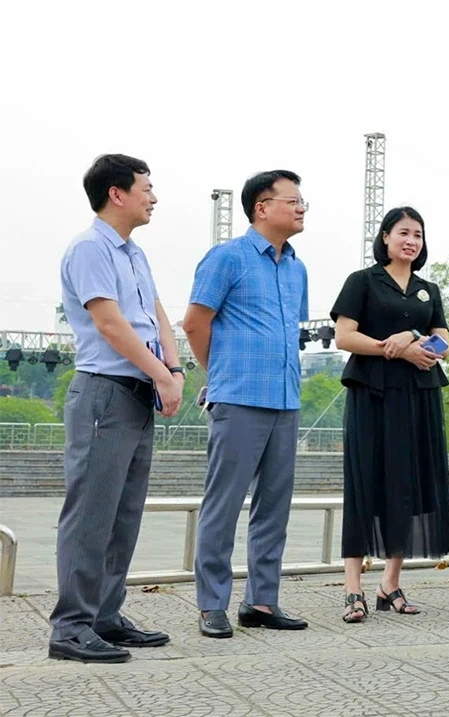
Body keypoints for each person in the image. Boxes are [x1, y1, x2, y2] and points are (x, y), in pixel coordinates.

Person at [48, 154, 185, 663]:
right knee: (90, 515)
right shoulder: (89, 248)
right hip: (105, 391)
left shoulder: (133, 253)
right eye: (146, 188)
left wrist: (172, 370)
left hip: (138, 393)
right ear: (117, 193)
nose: (153, 197)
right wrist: (159, 373)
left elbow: (156, 313)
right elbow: (109, 323)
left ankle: (104, 615)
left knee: (122, 516)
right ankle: (70, 627)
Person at [182, 170, 310, 639]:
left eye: (303, 203)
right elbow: (195, 322)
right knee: (224, 504)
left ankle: (261, 600)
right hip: (238, 398)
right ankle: (211, 603)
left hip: (285, 400)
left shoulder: (297, 268)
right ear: (261, 207)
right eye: (293, 201)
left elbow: (290, 332)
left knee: (274, 507)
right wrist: (218, 375)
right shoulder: (227, 258)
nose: (301, 209)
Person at [331, 206, 449, 623]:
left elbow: (443, 339)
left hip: (419, 393)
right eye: (404, 233)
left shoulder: (428, 289)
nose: (411, 241)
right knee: (365, 481)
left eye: (418, 235)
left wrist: (415, 342)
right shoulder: (363, 281)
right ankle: (352, 588)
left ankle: (391, 583)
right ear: (386, 237)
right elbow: (344, 336)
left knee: (409, 484)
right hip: (373, 392)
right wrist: (395, 348)